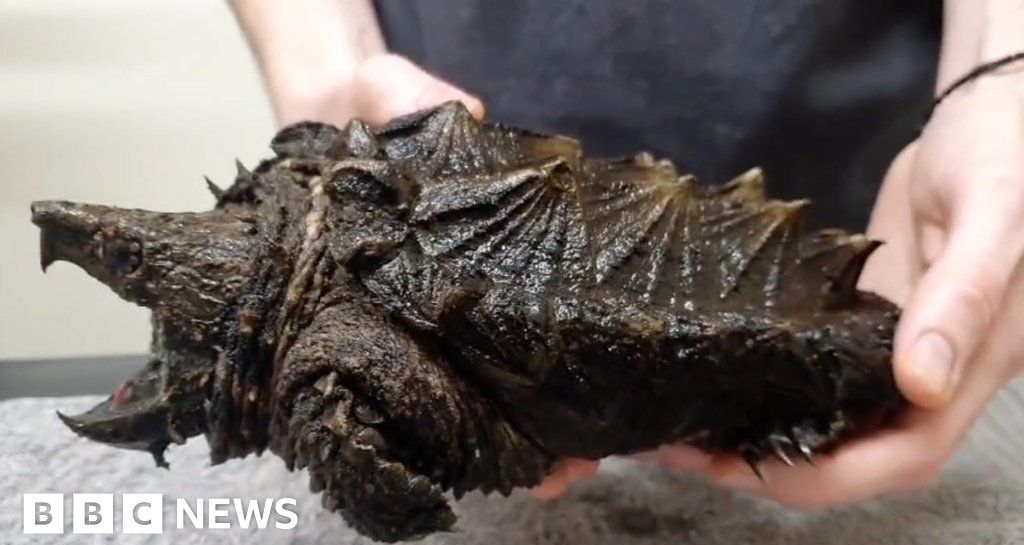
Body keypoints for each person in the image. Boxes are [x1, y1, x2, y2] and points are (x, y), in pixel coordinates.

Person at [229, 0, 1024, 507]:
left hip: (867, 202)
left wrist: (1002, 69)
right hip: (438, 164)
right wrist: (331, 64)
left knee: (872, 355)